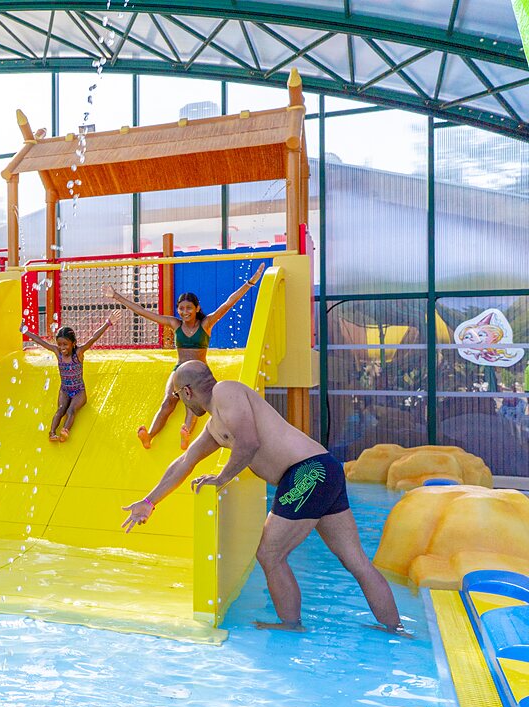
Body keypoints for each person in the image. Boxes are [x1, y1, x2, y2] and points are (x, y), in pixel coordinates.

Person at [119, 361, 406, 634]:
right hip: (324, 468)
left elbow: (248, 443)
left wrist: (220, 479)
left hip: (307, 472)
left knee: (269, 554)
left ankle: (292, 625)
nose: (181, 402)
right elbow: (184, 463)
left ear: (188, 392)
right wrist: (149, 502)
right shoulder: (216, 425)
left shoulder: (226, 391)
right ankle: (397, 630)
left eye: (177, 396)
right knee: (356, 561)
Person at [107, 263, 265, 450]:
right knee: (168, 402)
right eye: (181, 308)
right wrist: (116, 296)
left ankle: (186, 434)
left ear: (197, 308)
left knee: (192, 405)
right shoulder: (175, 324)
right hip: (179, 370)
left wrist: (250, 283)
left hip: (199, 374)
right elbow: (145, 313)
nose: (184, 312)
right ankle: (149, 436)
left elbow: (228, 303)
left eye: (189, 308)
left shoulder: (206, 324)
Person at [25, 312, 122, 441]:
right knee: (60, 410)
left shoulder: (78, 353)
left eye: (65, 344)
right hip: (64, 390)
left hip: (79, 392)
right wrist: (25, 331)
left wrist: (107, 323)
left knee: (71, 410)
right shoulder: (57, 352)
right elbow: (41, 342)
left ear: (73, 343)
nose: (62, 347)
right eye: (59, 344)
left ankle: (65, 431)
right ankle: (52, 432)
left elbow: (93, 338)